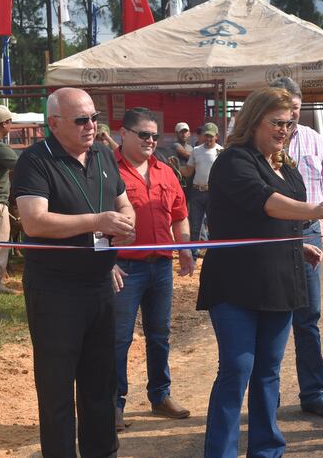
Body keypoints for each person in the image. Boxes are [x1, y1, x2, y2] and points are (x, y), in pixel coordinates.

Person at [197, 87, 323, 457]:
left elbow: (276, 223)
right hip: (235, 283)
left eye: (289, 123)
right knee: (237, 369)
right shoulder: (234, 160)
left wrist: (296, 246)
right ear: (254, 120)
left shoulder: (286, 163)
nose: (284, 129)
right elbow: (267, 204)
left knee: (268, 372)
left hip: (280, 281)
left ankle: (266, 450)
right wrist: (315, 210)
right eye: (276, 122)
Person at [13, 87, 136, 457]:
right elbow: (34, 222)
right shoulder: (35, 160)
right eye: (81, 120)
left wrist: (125, 223)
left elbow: (124, 203)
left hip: (99, 283)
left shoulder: (102, 155)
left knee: (101, 384)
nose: (91, 126)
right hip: (55, 290)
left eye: (94, 117)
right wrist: (98, 221)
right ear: (54, 123)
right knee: (57, 390)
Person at [113, 107, 194, 432]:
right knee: (119, 339)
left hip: (160, 265)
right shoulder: (108, 169)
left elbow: (179, 214)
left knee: (159, 335)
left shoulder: (166, 170)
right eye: (143, 134)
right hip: (123, 266)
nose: (150, 140)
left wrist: (186, 250)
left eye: (155, 135)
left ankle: (160, 396)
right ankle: (113, 404)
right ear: (125, 134)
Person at [269, 77, 323, 419]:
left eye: (296, 109)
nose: (292, 117)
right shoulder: (258, 144)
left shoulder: (314, 140)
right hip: (270, 236)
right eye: (285, 111)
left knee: (308, 316)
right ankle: (268, 397)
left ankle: (313, 393)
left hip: (309, 233)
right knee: (270, 314)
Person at [180, 122, 223, 258]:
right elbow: (188, 171)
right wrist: (175, 169)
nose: (208, 139)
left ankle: (213, 253)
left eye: (211, 136)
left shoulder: (221, 152)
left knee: (214, 224)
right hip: (197, 192)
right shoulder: (196, 150)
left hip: (212, 193)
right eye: (206, 136)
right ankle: (192, 254)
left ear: (217, 136)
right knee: (195, 225)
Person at [0, 106, 18, 295]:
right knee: (1, 243)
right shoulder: (0, 148)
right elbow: (23, 166)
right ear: (4, 123)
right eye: (10, 121)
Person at [169, 122, 193, 204]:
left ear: (189, 133)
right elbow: (185, 154)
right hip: (179, 181)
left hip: (190, 181)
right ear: (176, 134)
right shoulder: (175, 145)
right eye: (181, 132)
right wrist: (201, 156)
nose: (184, 134)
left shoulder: (191, 147)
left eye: (186, 132)